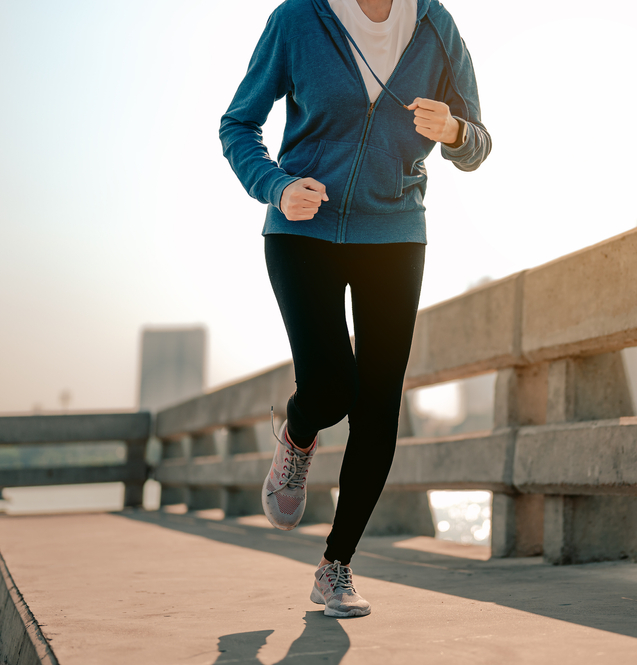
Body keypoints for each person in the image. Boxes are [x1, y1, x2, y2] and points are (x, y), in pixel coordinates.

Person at [219, 0, 490, 618]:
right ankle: (297, 433)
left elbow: (478, 143)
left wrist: (453, 132)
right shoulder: (299, 18)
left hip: (394, 232)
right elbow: (238, 125)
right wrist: (278, 186)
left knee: (378, 402)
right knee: (332, 385)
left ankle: (335, 566)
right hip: (301, 228)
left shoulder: (435, 25)